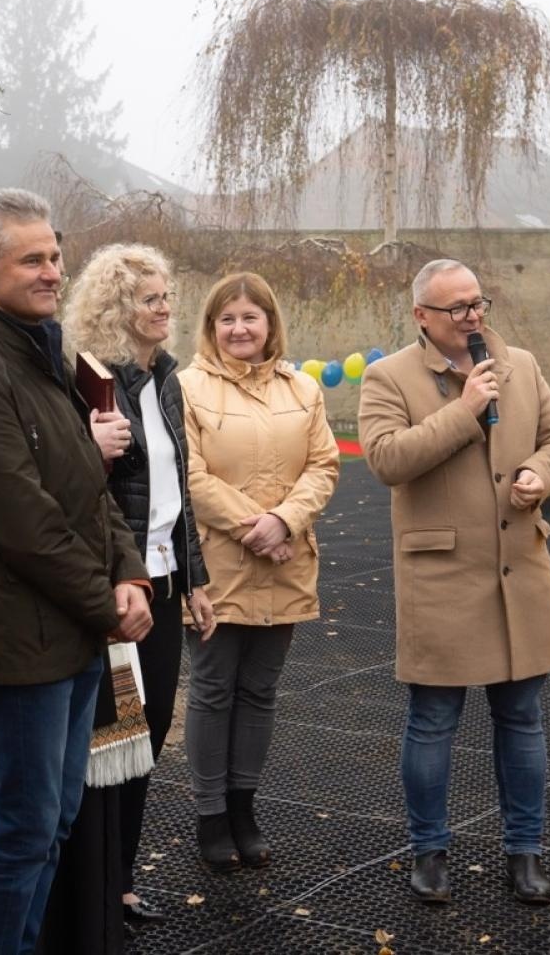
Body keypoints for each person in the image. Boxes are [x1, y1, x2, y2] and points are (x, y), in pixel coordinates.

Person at [0, 187, 154, 953]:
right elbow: (24, 526)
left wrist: (131, 574)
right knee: (22, 828)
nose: (54, 271)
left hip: (79, 632)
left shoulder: (45, 353)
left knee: (53, 820)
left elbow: (89, 489)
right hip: (23, 645)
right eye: (33, 259)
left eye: (55, 254)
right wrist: (109, 603)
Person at [357, 258, 550, 907]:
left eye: (478, 303)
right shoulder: (388, 377)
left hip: (520, 574)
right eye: (457, 308)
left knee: (522, 719)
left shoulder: (523, 366)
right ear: (422, 316)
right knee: (433, 722)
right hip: (441, 579)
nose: (473, 316)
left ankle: (526, 851)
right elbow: (387, 460)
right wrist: (465, 410)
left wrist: (543, 471)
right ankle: (429, 850)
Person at [62, 243, 218, 927]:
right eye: (150, 298)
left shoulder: (165, 379)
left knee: (148, 736)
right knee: (110, 737)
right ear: (117, 308)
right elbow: (81, 490)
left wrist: (195, 581)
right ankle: (93, 884)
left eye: (165, 296)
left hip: (161, 582)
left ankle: (120, 879)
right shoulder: (91, 383)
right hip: (117, 587)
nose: (165, 308)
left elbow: (175, 489)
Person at [178, 272, 339, 871]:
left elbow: (323, 465)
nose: (240, 328)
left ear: (270, 323)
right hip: (218, 567)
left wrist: (285, 521)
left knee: (261, 692)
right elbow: (190, 477)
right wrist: (258, 525)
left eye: (251, 317)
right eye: (228, 319)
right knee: (215, 688)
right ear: (211, 327)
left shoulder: (303, 389)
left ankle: (244, 806)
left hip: (286, 562)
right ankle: (210, 815)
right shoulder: (186, 387)